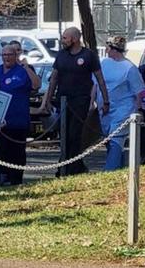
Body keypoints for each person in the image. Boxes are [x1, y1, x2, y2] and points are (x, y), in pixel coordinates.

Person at [40, 27, 109, 176]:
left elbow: (100, 79)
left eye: (65, 38)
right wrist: (48, 99)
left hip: (81, 101)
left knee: (74, 134)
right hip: (63, 101)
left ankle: (68, 167)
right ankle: (73, 166)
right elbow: (54, 78)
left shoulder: (88, 55)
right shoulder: (61, 56)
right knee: (64, 135)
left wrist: (105, 100)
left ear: (75, 39)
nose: (63, 41)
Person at [0, 45, 39, 186]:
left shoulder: (23, 71)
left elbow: (36, 85)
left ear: (15, 55)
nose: (7, 58)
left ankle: (16, 181)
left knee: (17, 154)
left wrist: (27, 67)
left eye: (10, 54)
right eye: (4, 55)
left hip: (18, 122)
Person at [96, 37, 144, 171]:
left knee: (116, 140)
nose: (106, 50)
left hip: (122, 111)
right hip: (104, 110)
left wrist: (138, 110)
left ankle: (108, 172)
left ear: (114, 49)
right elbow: (95, 84)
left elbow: (138, 92)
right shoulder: (103, 63)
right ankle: (120, 169)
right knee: (109, 141)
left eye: (108, 48)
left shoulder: (129, 68)